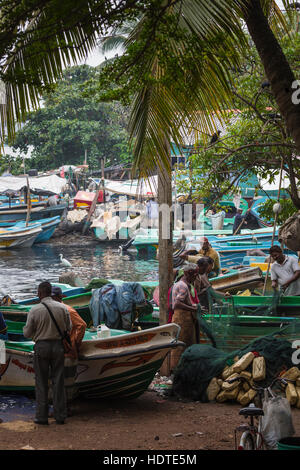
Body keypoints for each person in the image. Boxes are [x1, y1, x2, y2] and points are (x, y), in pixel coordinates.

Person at [23, 281, 72, 425]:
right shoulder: (63, 308)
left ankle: (41, 417)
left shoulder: (34, 310)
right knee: (58, 381)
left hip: (41, 347)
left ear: (39, 293)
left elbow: (27, 333)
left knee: (41, 382)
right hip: (58, 347)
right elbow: (68, 328)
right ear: (50, 292)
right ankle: (60, 416)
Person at [51, 286, 86, 408]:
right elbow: (81, 326)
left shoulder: (68, 311)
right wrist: (74, 343)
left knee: (61, 382)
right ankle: (65, 408)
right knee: (67, 381)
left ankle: (64, 408)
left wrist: (74, 342)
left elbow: (82, 325)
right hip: (64, 351)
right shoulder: (65, 310)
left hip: (63, 351)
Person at [170, 264, 199, 371]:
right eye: (195, 275)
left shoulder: (184, 285)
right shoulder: (183, 286)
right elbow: (177, 304)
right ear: (188, 274)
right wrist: (193, 309)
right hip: (181, 319)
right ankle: (175, 369)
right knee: (179, 346)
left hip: (186, 320)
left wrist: (194, 306)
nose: (196, 277)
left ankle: (185, 368)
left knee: (187, 344)